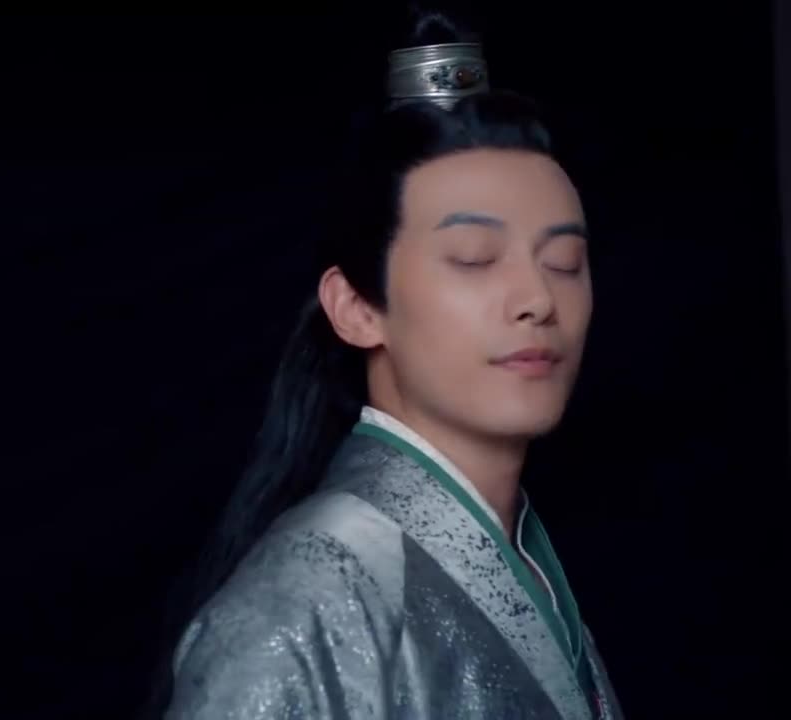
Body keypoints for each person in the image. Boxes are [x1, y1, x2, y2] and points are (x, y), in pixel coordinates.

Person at [159, 9, 623, 720]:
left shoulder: (529, 571)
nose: (537, 299)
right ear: (355, 307)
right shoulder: (303, 600)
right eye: (474, 259)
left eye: (564, 262)